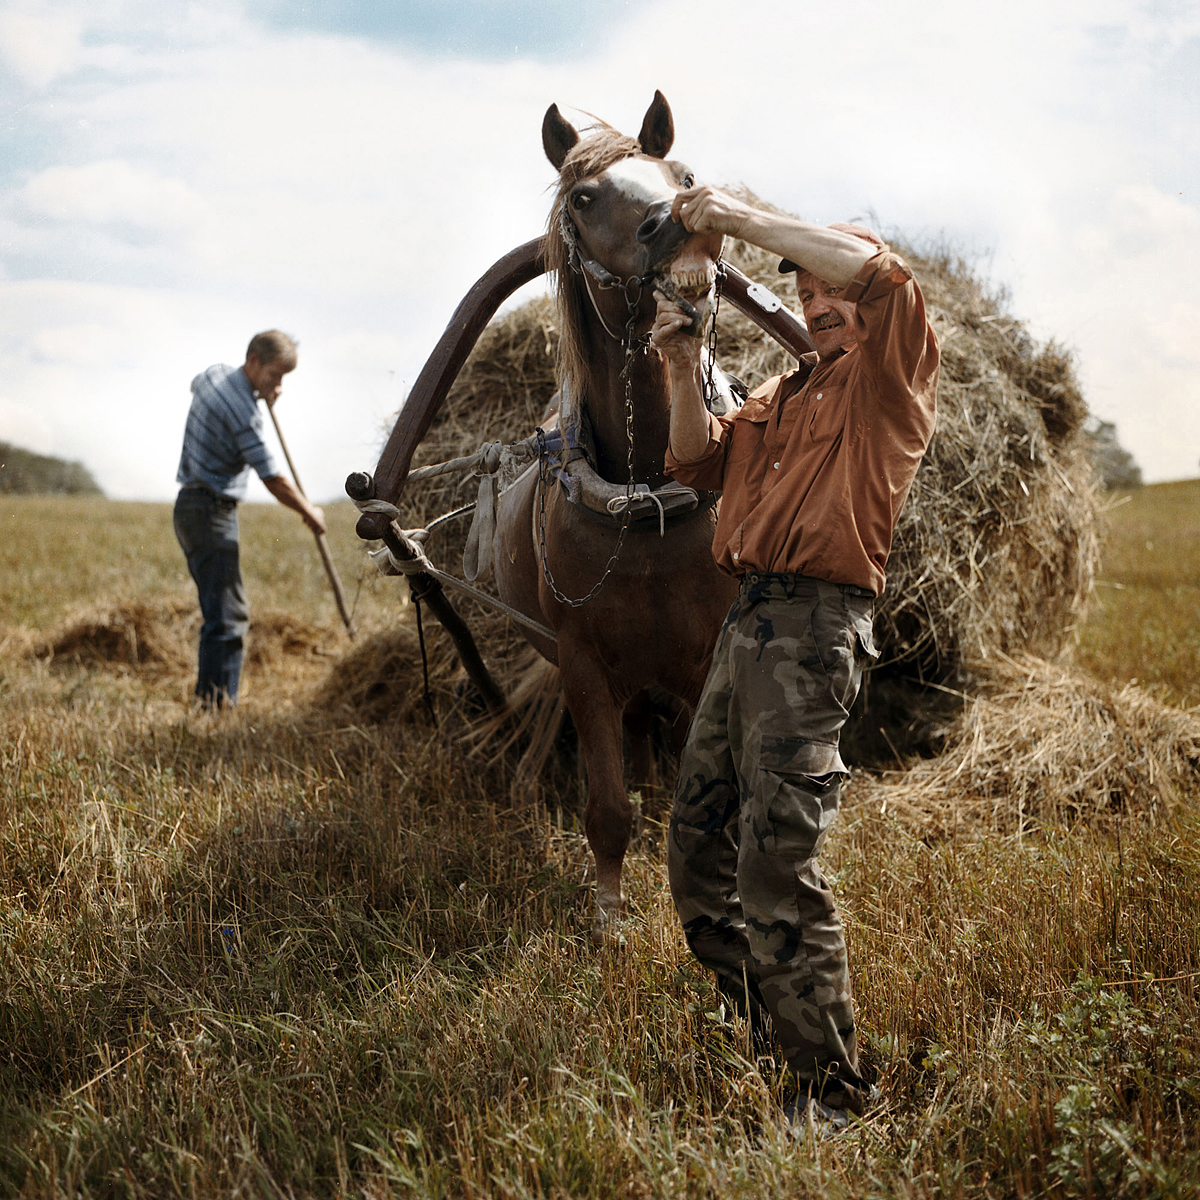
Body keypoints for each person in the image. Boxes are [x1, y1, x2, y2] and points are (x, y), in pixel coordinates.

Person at [650, 187, 939, 1131]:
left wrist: (732, 215)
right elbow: (692, 461)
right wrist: (682, 353)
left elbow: (887, 277)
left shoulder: (888, 380)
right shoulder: (783, 394)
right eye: (803, 292)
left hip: (815, 631)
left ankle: (834, 1091)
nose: (817, 304)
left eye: (830, 287)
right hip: (749, 624)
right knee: (697, 847)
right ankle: (768, 1025)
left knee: (779, 859)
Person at [173, 330, 325, 709]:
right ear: (253, 361)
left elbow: (198, 385)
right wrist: (310, 511)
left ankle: (211, 703)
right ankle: (217, 708)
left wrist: (259, 393)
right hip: (212, 511)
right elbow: (272, 478)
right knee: (228, 617)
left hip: (189, 507)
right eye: (275, 375)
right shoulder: (245, 412)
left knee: (218, 611)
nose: (279, 385)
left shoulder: (215, 374)